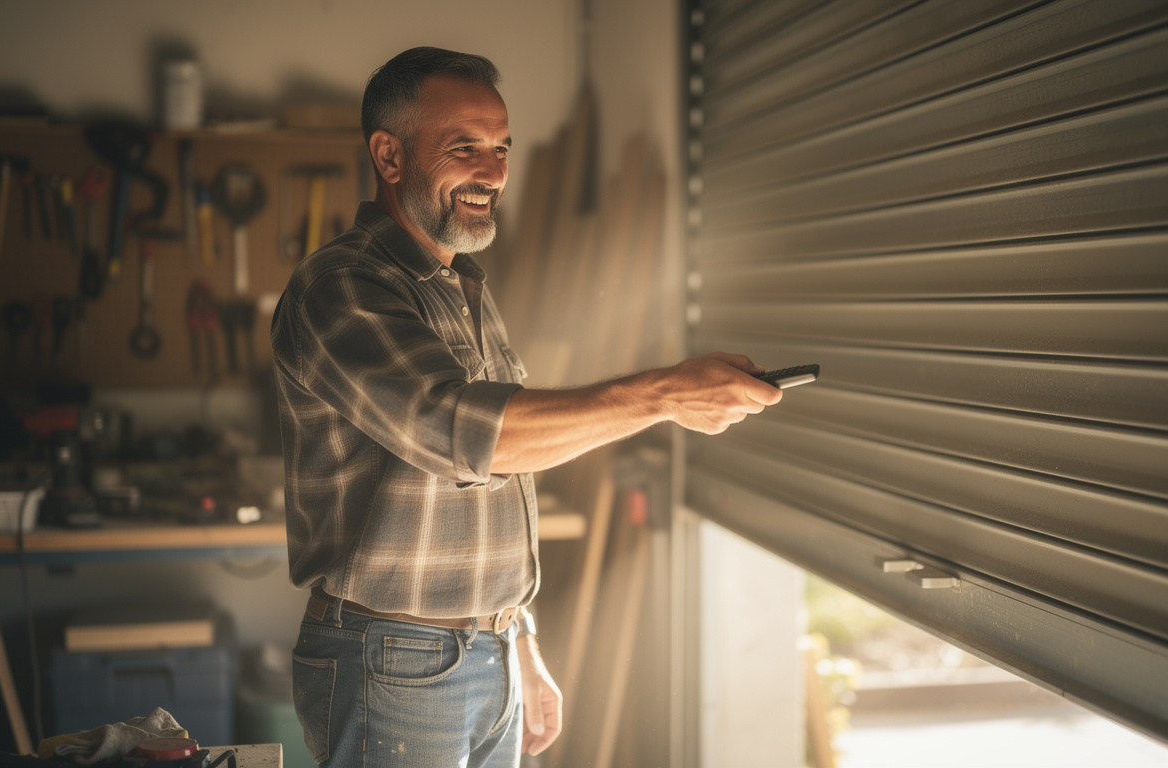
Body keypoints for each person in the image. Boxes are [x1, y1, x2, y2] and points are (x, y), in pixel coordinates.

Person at [270, 46, 783, 768]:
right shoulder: (342, 288)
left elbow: (500, 488)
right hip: (394, 660)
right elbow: (463, 433)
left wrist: (516, 638)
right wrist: (663, 394)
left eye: (502, 148)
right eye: (465, 148)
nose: (493, 172)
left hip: (488, 655)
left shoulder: (465, 290)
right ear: (389, 156)